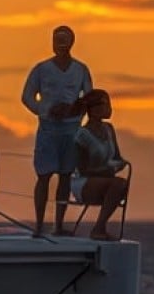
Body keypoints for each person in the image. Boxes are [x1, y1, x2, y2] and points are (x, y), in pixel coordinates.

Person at [21, 25, 91, 235]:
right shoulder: (41, 69)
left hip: (71, 130)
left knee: (66, 176)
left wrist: (72, 111)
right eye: (56, 39)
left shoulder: (81, 70)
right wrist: (46, 110)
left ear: (72, 42)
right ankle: (39, 225)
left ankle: (58, 225)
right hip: (48, 130)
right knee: (43, 175)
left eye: (64, 40)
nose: (60, 44)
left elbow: (89, 98)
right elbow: (27, 97)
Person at [71, 90, 129, 240]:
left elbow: (117, 157)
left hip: (105, 179)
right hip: (84, 182)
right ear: (94, 109)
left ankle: (100, 227)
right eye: (105, 104)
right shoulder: (82, 135)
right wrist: (107, 170)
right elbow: (83, 169)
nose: (109, 108)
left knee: (121, 184)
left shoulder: (109, 129)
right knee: (118, 184)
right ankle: (99, 228)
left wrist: (118, 165)